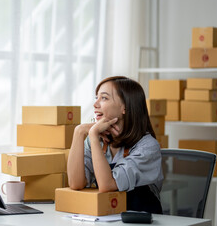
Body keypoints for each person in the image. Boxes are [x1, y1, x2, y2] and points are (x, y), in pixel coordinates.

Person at [67, 76, 163, 214]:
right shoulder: (98, 138)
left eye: (104, 98)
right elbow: (76, 183)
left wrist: (93, 136)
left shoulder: (148, 146)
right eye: (96, 98)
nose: (95, 104)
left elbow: (107, 185)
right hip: (108, 217)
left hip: (140, 221)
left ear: (125, 106)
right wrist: (79, 132)